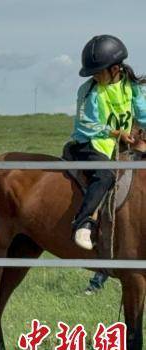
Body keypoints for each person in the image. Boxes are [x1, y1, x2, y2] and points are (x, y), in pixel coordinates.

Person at [66, 35, 146, 250]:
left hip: (119, 146)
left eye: (98, 71)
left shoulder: (133, 86)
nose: (94, 76)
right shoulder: (88, 90)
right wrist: (116, 133)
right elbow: (85, 125)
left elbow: (143, 114)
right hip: (87, 145)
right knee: (105, 175)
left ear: (115, 69)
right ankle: (83, 223)